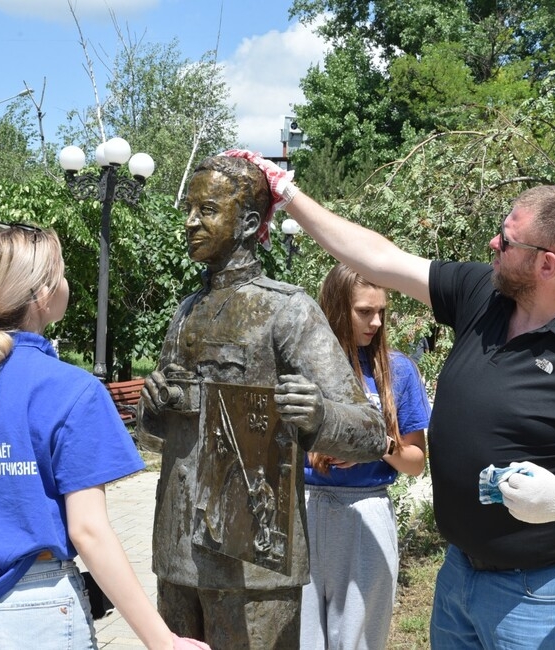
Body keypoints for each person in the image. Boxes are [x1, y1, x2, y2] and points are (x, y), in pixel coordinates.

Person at [226, 150, 555, 650]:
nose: (494, 241)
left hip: (544, 593)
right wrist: (286, 193)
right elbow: (378, 258)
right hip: (460, 574)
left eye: (507, 240)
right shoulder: (484, 295)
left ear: (547, 263)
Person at [0, 223, 208, 650]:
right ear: (43, 294)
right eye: (63, 272)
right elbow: (88, 531)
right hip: (34, 618)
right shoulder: (72, 390)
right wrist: (162, 641)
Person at [136, 155, 388, 649]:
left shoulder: (286, 309)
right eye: (189, 208)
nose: (190, 221)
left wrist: (318, 415)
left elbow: (370, 431)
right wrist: (155, 405)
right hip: (178, 556)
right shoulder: (185, 312)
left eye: (206, 209)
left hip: (253, 563)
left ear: (249, 223)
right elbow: (156, 434)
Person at [301, 263, 430, 650]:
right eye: (364, 311)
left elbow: (416, 463)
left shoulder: (398, 371)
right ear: (337, 307)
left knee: (358, 641)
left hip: (366, 512)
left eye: (381, 312)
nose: (375, 322)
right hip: (303, 507)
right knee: (299, 638)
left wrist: (376, 444)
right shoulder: (301, 364)